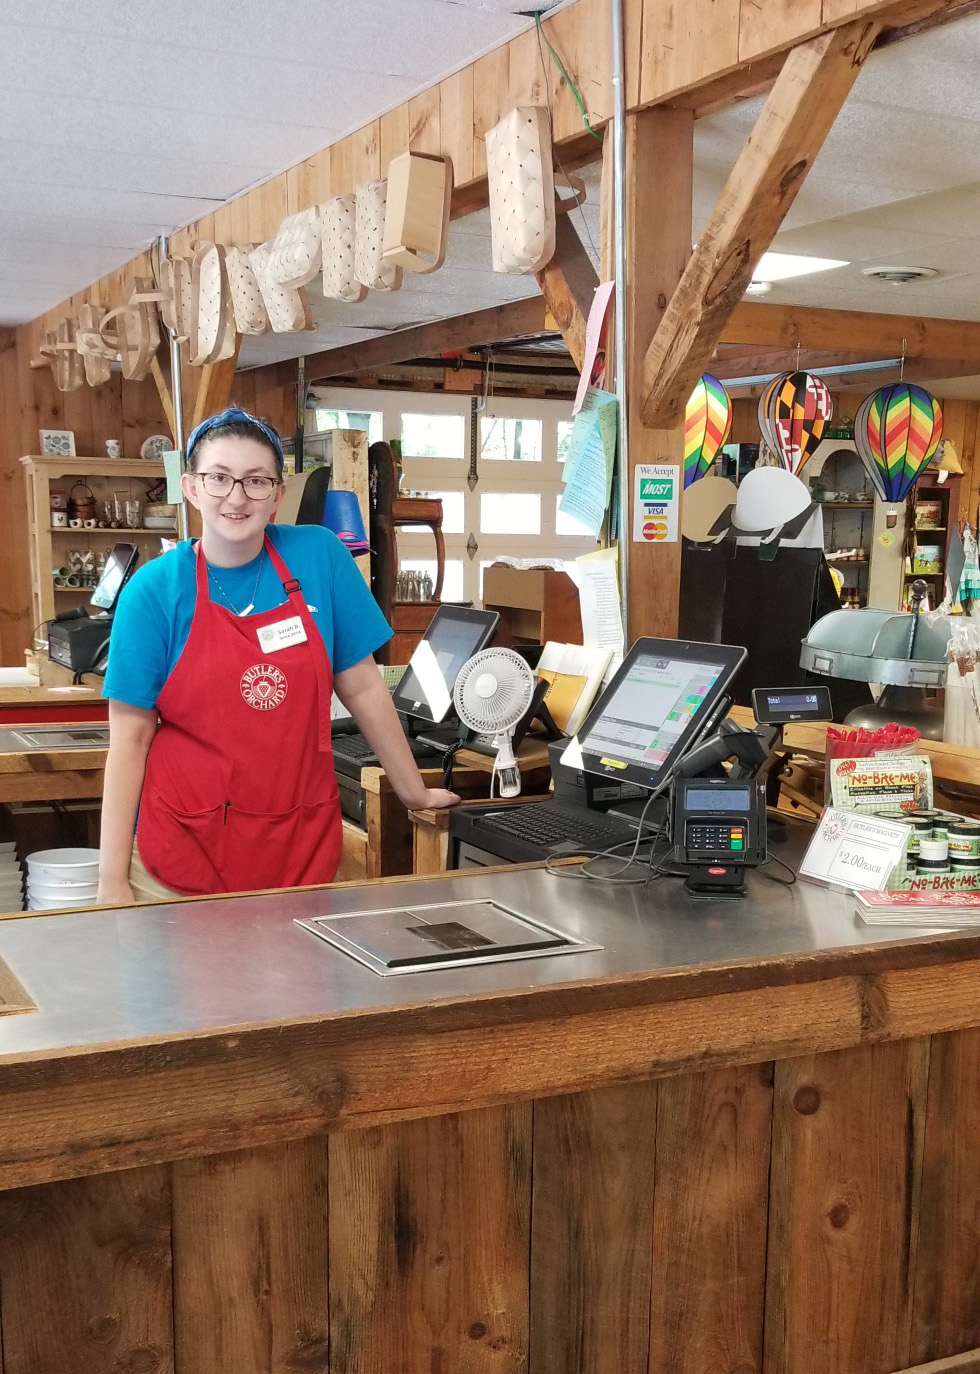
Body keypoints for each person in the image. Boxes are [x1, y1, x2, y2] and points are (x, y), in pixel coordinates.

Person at [97, 407, 458, 906]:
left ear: (278, 494)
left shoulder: (320, 556)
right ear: (191, 487)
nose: (237, 497)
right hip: (182, 851)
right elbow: (130, 741)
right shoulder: (154, 591)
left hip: (298, 842)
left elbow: (363, 685)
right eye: (219, 478)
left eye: (256, 481)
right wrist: (110, 880)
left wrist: (413, 792)